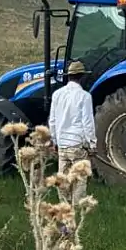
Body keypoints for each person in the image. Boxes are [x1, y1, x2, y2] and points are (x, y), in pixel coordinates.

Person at [48, 60, 97, 203]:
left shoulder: (57, 94)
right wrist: (92, 144)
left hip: (62, 145)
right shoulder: (85, 96)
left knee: (62, 179)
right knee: (80, 179)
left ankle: (64, 206)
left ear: (68, 76)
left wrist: (55, 141)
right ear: (81, 77)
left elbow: (53, 120)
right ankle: (77, 206)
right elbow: (87, 122)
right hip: (77, 145)